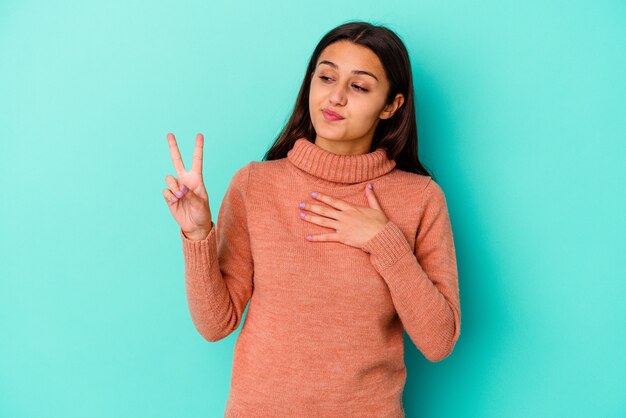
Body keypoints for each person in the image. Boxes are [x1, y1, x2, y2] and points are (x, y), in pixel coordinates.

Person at [163, 21, 461, 418]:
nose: (335, 97)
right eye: (325, 77)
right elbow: (216, 324)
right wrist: (197, 232)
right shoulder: (256, 185)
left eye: (359, 86)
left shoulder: (420, 198)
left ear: (391, 105)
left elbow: (438, 341)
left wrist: (384, 241)